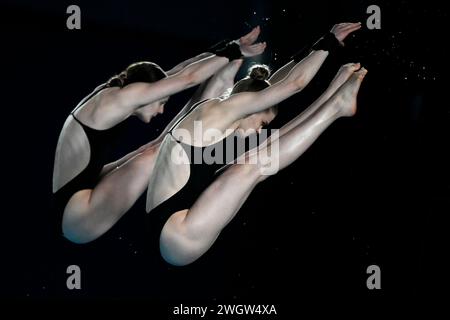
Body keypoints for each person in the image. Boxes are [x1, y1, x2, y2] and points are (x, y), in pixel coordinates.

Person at [145, 22, 365, 266]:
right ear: (252, 106)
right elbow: (293, 84)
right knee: (253, 165)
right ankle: (334, 106)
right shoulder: (220, 111)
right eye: (261, 122)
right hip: (177, 235)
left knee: (263, 152)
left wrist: (314, 49)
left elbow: (276, 83)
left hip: (180, 220)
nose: (259, 130)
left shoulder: (227, 111)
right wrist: (329, 42)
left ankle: (334, 99)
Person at [52, 27, 267, 244]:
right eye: (162, 102)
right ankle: (219, 93)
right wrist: (233, 52)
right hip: (78, 218)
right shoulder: (120, 99)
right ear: (146, 92)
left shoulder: (121, 92)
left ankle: (220, 86)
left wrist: (229, 48)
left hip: (77, 197)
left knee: (152, 149)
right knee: (157, 152)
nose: (161, 110)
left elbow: (182, 71)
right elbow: (188, 79)